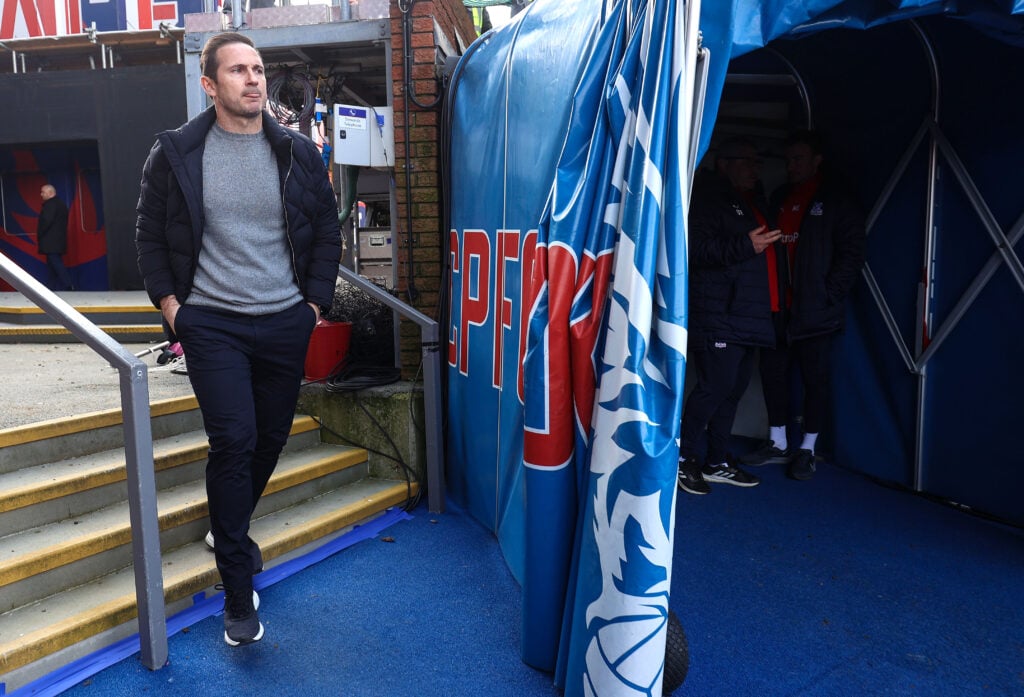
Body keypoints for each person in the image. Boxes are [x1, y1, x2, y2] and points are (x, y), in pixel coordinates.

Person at [136, 31, 341, 646]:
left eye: (258, 69)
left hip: (284, 320)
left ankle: (227, 527)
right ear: (209, 85)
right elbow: (149, 236)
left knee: (269, 440)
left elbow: (326, 231)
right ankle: (236, 590)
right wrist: (174, 308)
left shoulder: (297, 153)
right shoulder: (175, 153)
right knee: (235, 438)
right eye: (238, 71)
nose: (254, 80)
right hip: (213, 324)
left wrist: (312, 306)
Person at [740, 130, 866, 480]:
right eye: (788, 159)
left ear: (816, 160)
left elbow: (852, 252)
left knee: (815, 379)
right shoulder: (780, 197)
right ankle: (777, 442)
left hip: (816, 311)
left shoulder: (836, 200)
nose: (791, 166)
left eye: (798, 159)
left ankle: (807, 448)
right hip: (778, 308)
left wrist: (828, 294)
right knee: (773, 374)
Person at [677, 137, 782, 495]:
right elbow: (694, 248)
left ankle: (716, 461)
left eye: (758, 162)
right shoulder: (708, 196)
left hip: (748, 314)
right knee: (715, 386)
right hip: (719, 311)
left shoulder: (752, 199)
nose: (755, 169)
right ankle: (683, 457)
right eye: (747, 160)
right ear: (725, 162)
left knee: (732, 390)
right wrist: (744, 245)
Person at [37, 184, 75, 291]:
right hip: (57, 240)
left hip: (51, 241)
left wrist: (39, 233)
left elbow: (46, 221)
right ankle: (49, 287)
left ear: (50, 193)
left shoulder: (50, 205)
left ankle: (68, 285)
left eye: (43, 192)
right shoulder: (61, 204)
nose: (41, 194)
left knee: (56, 263)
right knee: (52, 265)